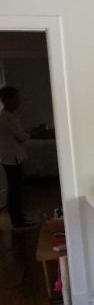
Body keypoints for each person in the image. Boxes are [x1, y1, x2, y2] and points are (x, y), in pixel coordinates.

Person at [0, 86, 35, 228]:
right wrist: (31, 133)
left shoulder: (8, 116)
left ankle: (18, 219)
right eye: (16, 98)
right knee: (16, 190)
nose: (18, 101)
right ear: (8, 99)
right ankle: (18, 221)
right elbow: (21, 137)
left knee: (16, 189)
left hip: (12, 158)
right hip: (12, 159)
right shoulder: (6, 117)